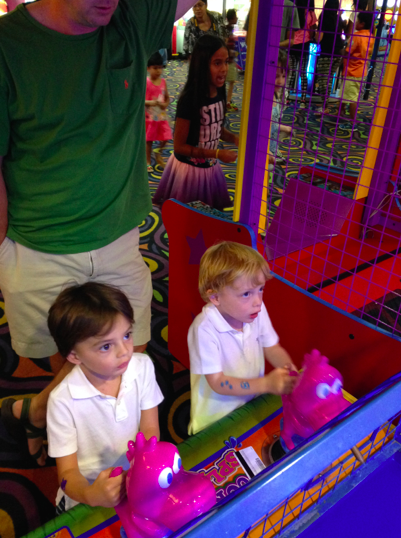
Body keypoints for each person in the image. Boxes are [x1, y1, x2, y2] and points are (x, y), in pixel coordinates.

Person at [0, 0, 195, 466]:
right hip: (38, 243)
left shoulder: (127, 17)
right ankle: (68, 439)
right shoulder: (9, 46)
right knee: (72, 359)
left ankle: (37, 412)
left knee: (127, 355)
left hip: (121, 237)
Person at [46, 282, 163, 513]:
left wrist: (143, 463)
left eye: (127, 335)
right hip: (87, 494)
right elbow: (67, 474)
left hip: (136, 478)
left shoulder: (142, 367)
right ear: (74, 355)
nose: (125, 351)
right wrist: (91, 494)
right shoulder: (62, 401)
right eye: (106, 346)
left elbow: (150, 427)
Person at [187, 242, 297, 435]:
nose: (258, 301)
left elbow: (272, 347)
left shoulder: (255, 311)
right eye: (246, 294)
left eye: (260, 289)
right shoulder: (203, 329)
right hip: (215, 418)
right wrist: (266, 384)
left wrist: (291, 372)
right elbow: (217, 382)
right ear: (215, 297)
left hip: (249, 402)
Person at [153, 35, 238, 210]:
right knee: (189, 215)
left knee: (208, 214)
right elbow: (179, 146)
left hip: (210, 166)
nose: (224, 69)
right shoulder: (190, 100)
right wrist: (217, 153)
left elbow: (215, 127)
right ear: (202, 65)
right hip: (190, 171)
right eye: (217, 63)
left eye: (226, 62)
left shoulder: (220, 94)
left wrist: (235, 138)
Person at [340, 10, 374, 126]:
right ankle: (341, 113)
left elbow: (348, 52)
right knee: (348, 94)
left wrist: (341, 51)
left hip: (352, 71)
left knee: (352, 98)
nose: (355, 23)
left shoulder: (357, 36)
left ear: (362, 23)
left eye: (357, 21)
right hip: (361, 70)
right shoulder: (370, 36)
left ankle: (352, 122)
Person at [314, 0, 345, 115]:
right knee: (329, 79)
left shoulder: (324, 18)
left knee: (323, 80)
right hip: (338, 52)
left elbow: (319, 38)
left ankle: (325, 107)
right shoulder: (338, 19)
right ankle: (325, 106)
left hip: (327, 52)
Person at [145, 52, 172, 172]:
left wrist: (164, 105)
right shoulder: (146, 82)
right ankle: (147, 162)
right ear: (148, 68)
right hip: (149, 118)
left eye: (160, 68)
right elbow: (140, 100)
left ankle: (158, 151)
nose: (158, 71)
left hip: (161, 116)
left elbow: (167, 98)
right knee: (149, 141)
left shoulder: (163, 82)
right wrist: (150, 102)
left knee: (166, 136)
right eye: (155, 68)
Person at [287, 0, 317, 108]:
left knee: (291, 72)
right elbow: (312, 31)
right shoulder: (310, 13)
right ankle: (303, 100)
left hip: (293, 44)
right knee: (303, 72)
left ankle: (286, 97)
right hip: (304, 44)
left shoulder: (293, 10)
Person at [270, 49, 292, 164]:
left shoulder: (276, 94)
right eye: (276, 76)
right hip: (262, 150)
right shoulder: (265, 98)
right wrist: (285, 128)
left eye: (283, 76)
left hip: (272, 148)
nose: (280, 81)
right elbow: (264, 127)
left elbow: (272, 123)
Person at [224, 9, 239, 112]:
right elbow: (225, 44)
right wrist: (231, 53)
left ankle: (227, 101)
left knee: (230, 81)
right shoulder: (227, 30)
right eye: (235, 16)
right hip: (228, 61)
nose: (237, 18)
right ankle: (227, 102)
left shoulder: (229, 29)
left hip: (229, 60)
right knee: (230, 81)